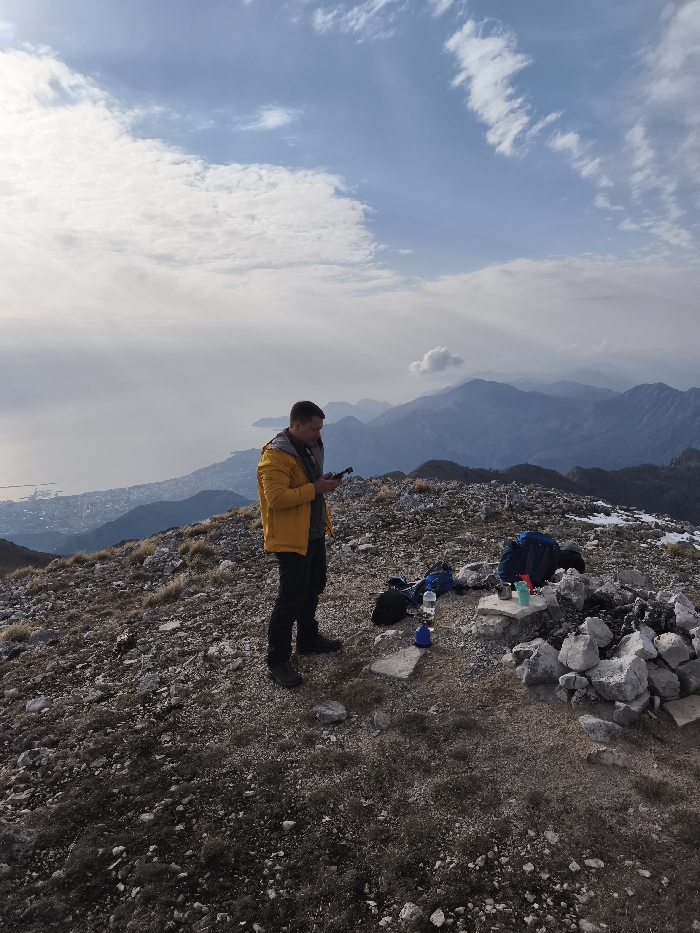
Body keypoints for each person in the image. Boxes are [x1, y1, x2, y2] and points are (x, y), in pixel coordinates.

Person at [257, 400, 344, 688]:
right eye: (314, 429)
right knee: (290, 599)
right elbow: (276, 499)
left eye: (320, 429)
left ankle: (307, 640)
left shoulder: (307, 447)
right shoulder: (275, 456)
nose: (319, 434)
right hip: (290, 539)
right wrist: (314, 488)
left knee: (314, 586)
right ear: (296, 424)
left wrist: (322, 483)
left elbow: (307, 486)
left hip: (313, 532)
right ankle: (277, 661)